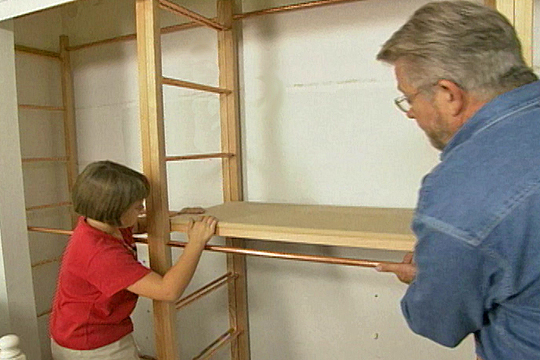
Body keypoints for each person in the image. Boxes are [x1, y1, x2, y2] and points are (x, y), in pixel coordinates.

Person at [374, 2, 540, 360]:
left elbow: (438, 323)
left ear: (449, 94)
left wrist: (428, 279)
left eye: (409, 97)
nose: (411, 112)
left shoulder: (461, 196)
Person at [49, 160, 217, 360]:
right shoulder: (101, 254)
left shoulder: (101, 225)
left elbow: (137, 225)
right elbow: (167, 290)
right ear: (115, 212)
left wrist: (176, 216)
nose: (143, 209)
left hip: (90, 331)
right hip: (89, 346)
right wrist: (196, 244)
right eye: (138, 207)